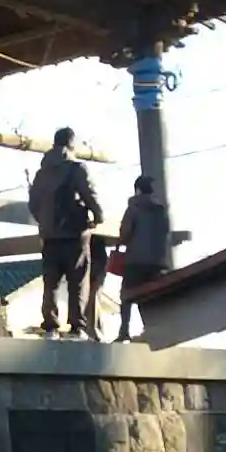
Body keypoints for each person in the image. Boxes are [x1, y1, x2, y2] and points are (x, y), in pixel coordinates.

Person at [28, 127, 101, 338]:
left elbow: (33, 204)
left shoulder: (42, 173)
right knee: (77, 280)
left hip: (49, 235)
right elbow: (89, 195)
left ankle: (50, 325)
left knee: (50, 282)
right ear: (71, 144)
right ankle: (77, 327)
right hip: (74, 231)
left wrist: (44, 222)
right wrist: (98, 216)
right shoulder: (76, 168)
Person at [115, 175, 172, 343]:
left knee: (127, 294)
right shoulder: (161, 211)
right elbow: (165, 233)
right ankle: (152, 329)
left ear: (137, 189)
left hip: (136, 260)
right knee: (150, 295)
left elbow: (125, 234)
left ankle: (124, 331)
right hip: (157, 262)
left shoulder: (133, 209)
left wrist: (121, 243)